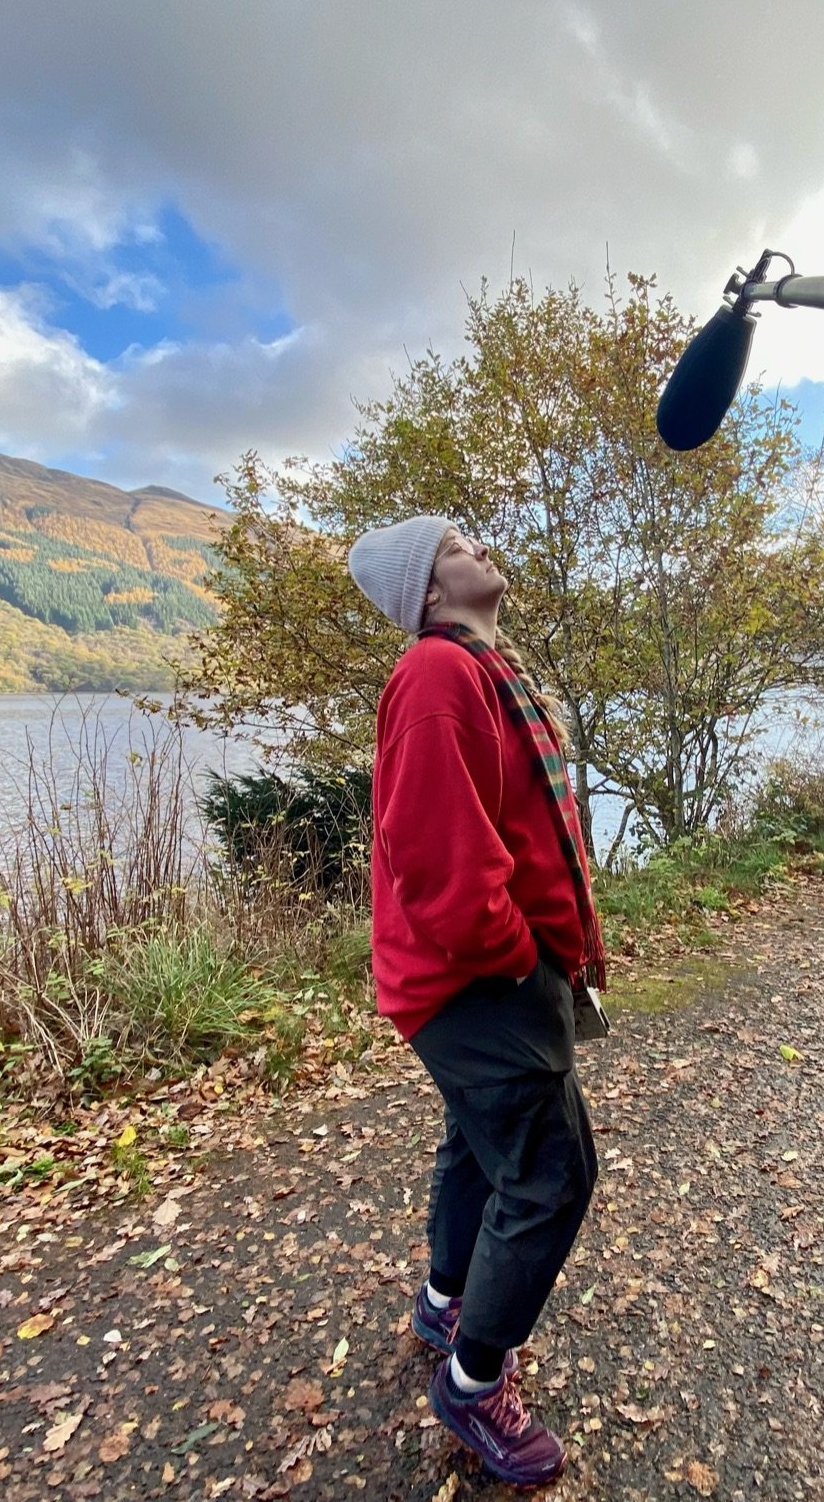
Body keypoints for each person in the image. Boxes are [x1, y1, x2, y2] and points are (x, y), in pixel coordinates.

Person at [346, 515, 602, 1488]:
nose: (480, 548)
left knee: (478, 1143)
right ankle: (471, 1377)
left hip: (478, 973)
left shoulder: (484, 668)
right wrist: (516, 959)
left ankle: (445, 1298)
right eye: (458, 544)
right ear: (427, 587)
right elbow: (437, 860)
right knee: (550, 1172)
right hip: (476, 977)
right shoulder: (438, 675)